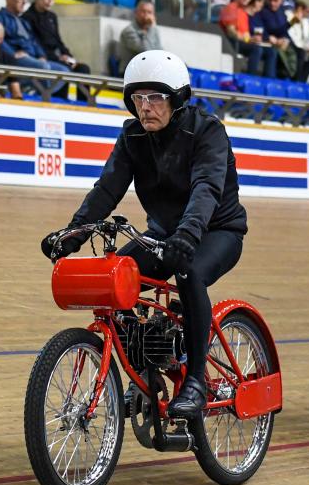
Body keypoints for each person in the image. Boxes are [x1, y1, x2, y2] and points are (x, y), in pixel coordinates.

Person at [43, 50, 247, 418]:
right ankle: (146, 376)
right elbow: (108, 188)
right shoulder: (132, 134)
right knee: (115, 277)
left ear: (177, 100)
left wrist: (187, 234)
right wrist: (72, 234)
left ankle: (196, 381)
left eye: (155, 98)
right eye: (138, 99)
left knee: (189, 272)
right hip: (164, 234)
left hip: (217, 230)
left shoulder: (207, 131)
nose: (145, 107)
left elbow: (206, 189)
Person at [0, 0, 71, 82]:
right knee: (43, 67)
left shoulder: (23, 22)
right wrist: (12, 54)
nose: (24, 2)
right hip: (17, 59)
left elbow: (33, 41)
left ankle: (35, 90)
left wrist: (42, 56)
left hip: (33, 58)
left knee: (64, 71)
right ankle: (42, 95)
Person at [23, 0, 91, 76]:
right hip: (43, 57)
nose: (50, 0)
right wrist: (58, 57)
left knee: (83, 69)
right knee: (64, 69)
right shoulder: (28, 17)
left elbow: (58, 40)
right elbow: (35, 43)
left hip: (57, 57)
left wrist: (69, 57)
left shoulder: (52, 16)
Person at [219, 0, 277, 78]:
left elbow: (245, 34)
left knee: (271, 52)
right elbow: (231, 32)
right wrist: (248, 40)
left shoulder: (243, 12)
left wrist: (252, 39)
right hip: (230, 42)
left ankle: (269, 80)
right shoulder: (231, 8)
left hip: (242, 42)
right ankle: (250, 78)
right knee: (256, 49)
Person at [118, 0, 162, 73]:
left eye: (149, 12)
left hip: (148, 71)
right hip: (130, 73)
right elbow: (145, 50)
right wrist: (152, 27)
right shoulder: (129, 31)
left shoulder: (153, 31)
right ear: (136, 13)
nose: (146, 15)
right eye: (143, 11)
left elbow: (160, 51)